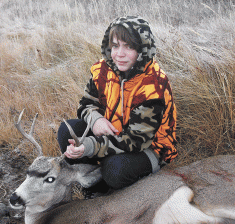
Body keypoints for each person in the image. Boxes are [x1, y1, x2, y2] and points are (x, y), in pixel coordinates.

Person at [57, 16, 177, 198]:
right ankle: (94, 184)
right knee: (67, 131)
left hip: (148, 148)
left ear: (143, 49)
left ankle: (113, 185)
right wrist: (96, 120)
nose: (119, 54)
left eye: (129, 47)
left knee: (114, 170)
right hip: (112, 134)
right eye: (115, 46)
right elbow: (85, 104)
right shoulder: (103, 70)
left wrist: (90, 146)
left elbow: (136, 140)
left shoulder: (153, 85)